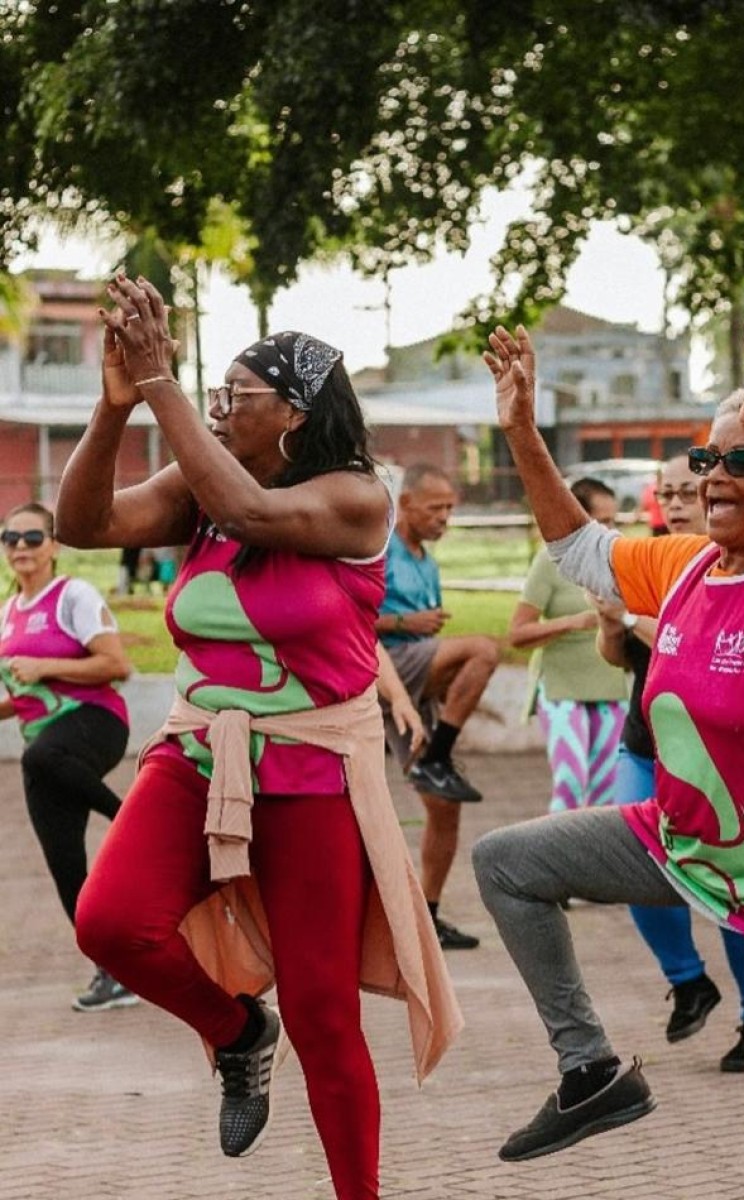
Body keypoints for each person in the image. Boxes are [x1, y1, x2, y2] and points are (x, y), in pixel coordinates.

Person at [57, 274, 461, 1200]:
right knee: (110, 923)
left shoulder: (357, 498)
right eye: (219, 396)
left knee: (324, 1014)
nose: (220, 410)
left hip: (313, 769)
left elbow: (252, 513)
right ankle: (240, 1035)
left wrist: (162, 385)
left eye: (236, 398)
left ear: (295, 411)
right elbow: (85, 524)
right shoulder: (200, 489)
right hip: (201, 748)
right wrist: (116, 404)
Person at [475, 320, 744, 1199]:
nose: (712, 475)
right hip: (677, 838)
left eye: (740, 461)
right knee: (507, 864)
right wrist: (523, 431)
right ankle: (590, 1073)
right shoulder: (686, 566)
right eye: (706, 457)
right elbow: (576, 548)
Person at [593, 455, 744, 1072]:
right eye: (670, 493)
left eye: (692, 490)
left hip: (715, 759)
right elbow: (619, 656)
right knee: (634, 868)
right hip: (645, 742)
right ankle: (688, 980)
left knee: (725, 890)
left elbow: (690, 644)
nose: (681, 502)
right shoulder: (643, 560)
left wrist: (630, 618)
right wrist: (611, 624)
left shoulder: (729, 560)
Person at [0, 501, 136, 1012]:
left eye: (33, 538)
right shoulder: (7, 614)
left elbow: (116, 665)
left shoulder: (73, 595)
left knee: (37, 758)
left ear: (54, 546)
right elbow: (24, 697)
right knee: (64, 866)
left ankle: (130, 818)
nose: (20, 548)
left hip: (97, 725)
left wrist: (43, 664)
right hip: (50, 749)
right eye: (10, 538)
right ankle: (114, 972)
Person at [376, 462, 501, 950]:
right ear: (405, 504)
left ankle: (427, 918)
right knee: (485, 648)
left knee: (444, 808)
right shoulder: (379, 547)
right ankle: (437, 755)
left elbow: (431, 632)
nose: (445, 518)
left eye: (450, 509)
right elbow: (349, 616)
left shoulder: (425, 558)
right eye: (436, 508)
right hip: (384, 668)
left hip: (418, 678)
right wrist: (406, 623)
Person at [509, 477, 629, 813]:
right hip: (561, 689)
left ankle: (592, 865)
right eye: (601, 522)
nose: (610, 530)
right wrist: (576, 622)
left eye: (614, 520)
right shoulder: (550, 562)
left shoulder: (621, 558)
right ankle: (556, 863)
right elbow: (517, 634)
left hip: (612, 690)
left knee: (606, 795)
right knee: (571, 784)